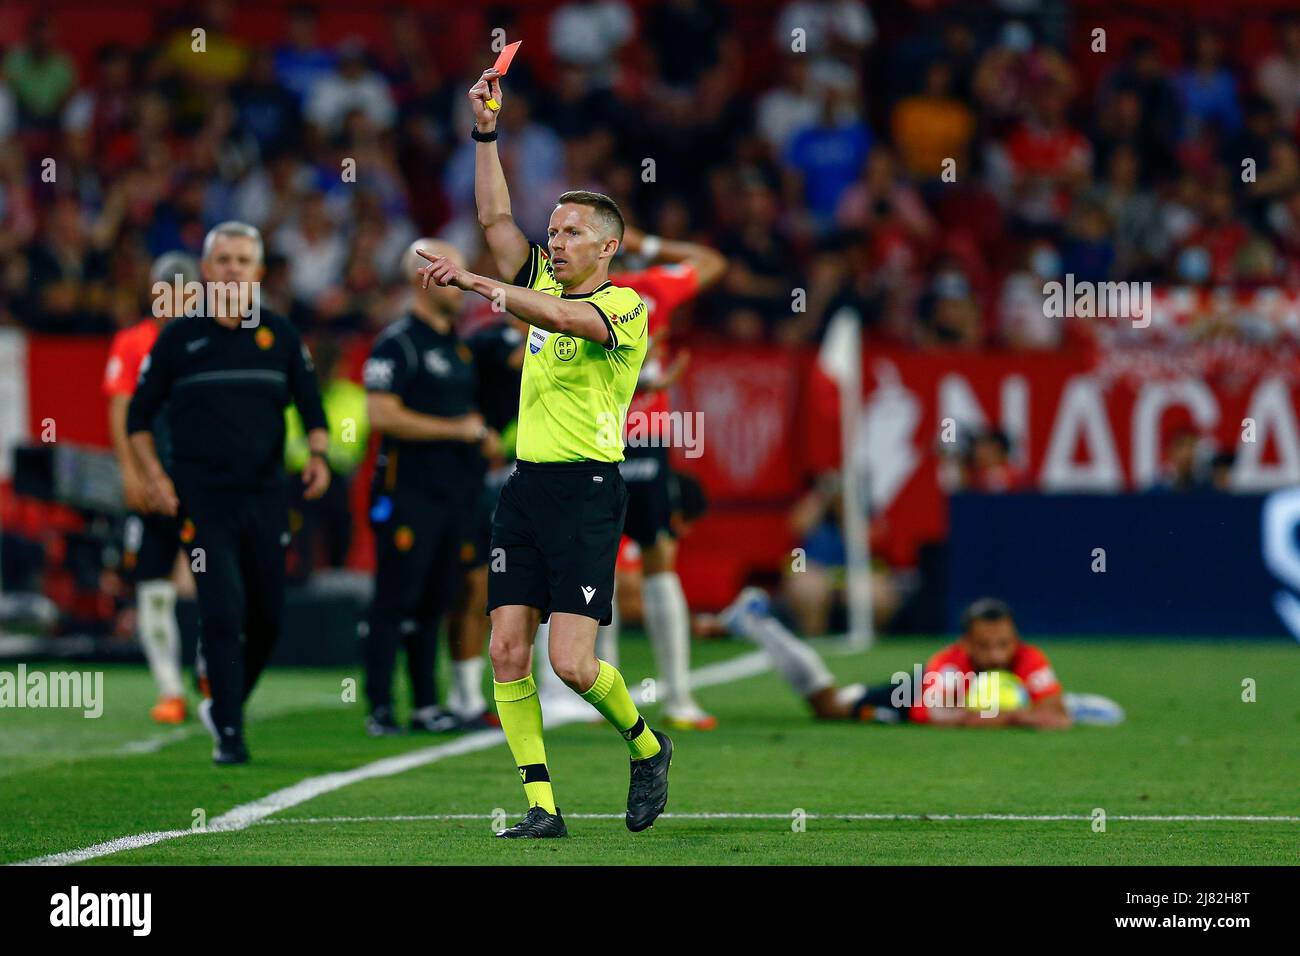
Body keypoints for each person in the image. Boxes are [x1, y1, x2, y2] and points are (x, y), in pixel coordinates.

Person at [413, 67, 670, 839]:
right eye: (552, 232)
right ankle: (541, 806)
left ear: (610, 247)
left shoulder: (623, 306)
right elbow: (494, 219)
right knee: (505, 649)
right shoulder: (541, 282)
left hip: (588, 493)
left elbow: (563, 320)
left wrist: (483, 288)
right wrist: (486, 130)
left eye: (569, 234)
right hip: (524, 491)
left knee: (574, 665)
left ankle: (648, 745)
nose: (553, 242)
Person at [127, 221, 330, 764]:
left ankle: (225, 701)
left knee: (268, 616)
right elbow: (137, 419)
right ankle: (231, 733)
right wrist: (154, 476)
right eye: (224, 260)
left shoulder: (281, 336)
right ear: (207, 269)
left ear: (258, 272)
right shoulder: (179, 338)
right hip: (201, 500)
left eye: (244, 260)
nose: (234, 269)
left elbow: (312, 408)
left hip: (266, 497)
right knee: (222, 610)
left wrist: (318, 456)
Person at [536, 227, 726, 731]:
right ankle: (598, 692)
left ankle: (680, 695)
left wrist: (648, 243)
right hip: (590, 440)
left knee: (660, 555)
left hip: (645, 435)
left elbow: (710, 260)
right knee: (602, 564)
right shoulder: (561, 297)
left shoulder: (649, 286)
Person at [362, 238, 501, 735]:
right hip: (408, 493)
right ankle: (379, 705)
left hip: (455, 495)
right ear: (425, 277)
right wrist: (458, 430)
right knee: (395, 597)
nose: (461, 282)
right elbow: (381, 413)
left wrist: (480, 436)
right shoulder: (397, 343)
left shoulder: (459, 346)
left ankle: (425, 703)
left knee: (438, 599)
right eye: (452, 272)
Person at [717, 592, 1105, 730]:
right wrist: (1013, 717)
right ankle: (755, 621)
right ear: (966, 642)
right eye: (984, 645)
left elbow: (1056, 715)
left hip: (960, 706)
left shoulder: (1027, 657)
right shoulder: (950, 666)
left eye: (1002, 643)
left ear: (1015, 638)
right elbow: (931, 713)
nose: (995, 655)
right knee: (829, 707)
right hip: (907, 697)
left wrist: (1014, 714)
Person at [104, 251, 198, 724]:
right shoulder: (133, 342)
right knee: (153, 583)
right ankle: (169, 687)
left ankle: (208, 667)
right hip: (155, 476)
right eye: (167, 293)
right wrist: (131, 472)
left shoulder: (209, 340)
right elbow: (122, 408)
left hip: (203, 478)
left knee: (213, 574)